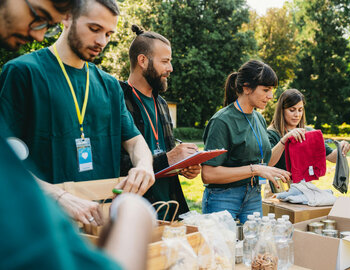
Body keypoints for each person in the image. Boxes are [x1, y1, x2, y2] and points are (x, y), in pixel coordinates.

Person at [0, 1, 155, 269]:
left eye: (108, 34)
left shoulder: (109, 85)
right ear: (67, 18)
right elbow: (6, 164)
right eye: (94, 28)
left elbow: (134, 140)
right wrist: (58, 196)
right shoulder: (22, 72)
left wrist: (144, 165)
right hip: (42, 231)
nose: (102, 41)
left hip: (98, 225)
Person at [119, 25, 201, 218]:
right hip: (136, 212)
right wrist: (168, 159)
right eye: (165, 61)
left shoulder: (162, 104)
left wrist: (182, 166)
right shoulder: (117, 100)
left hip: (170, 208)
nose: (170, 68)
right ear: (142, 61)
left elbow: (162, 153)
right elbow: (116, 165)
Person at [201, 60, 293, 223]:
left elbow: (265, 163)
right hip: (223, 197)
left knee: (254, 245)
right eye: (265, 90)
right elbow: (208, 174)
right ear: (246, 88)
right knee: (223, 248)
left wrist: (284, 141)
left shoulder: (258, 118)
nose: (271, 96)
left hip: (253, 195)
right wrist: (254, 170)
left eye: (271, 90)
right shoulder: (222, 121)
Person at [267, 89, 350, 192]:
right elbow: (268, 162)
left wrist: (341, 147)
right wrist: (284, 140)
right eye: (292, 110)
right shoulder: (272, 133)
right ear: (281, 110)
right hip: (278, 188)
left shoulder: (309, 133)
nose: (297, 114)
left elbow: (331, 157)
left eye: (300, 110)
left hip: (304, 188)